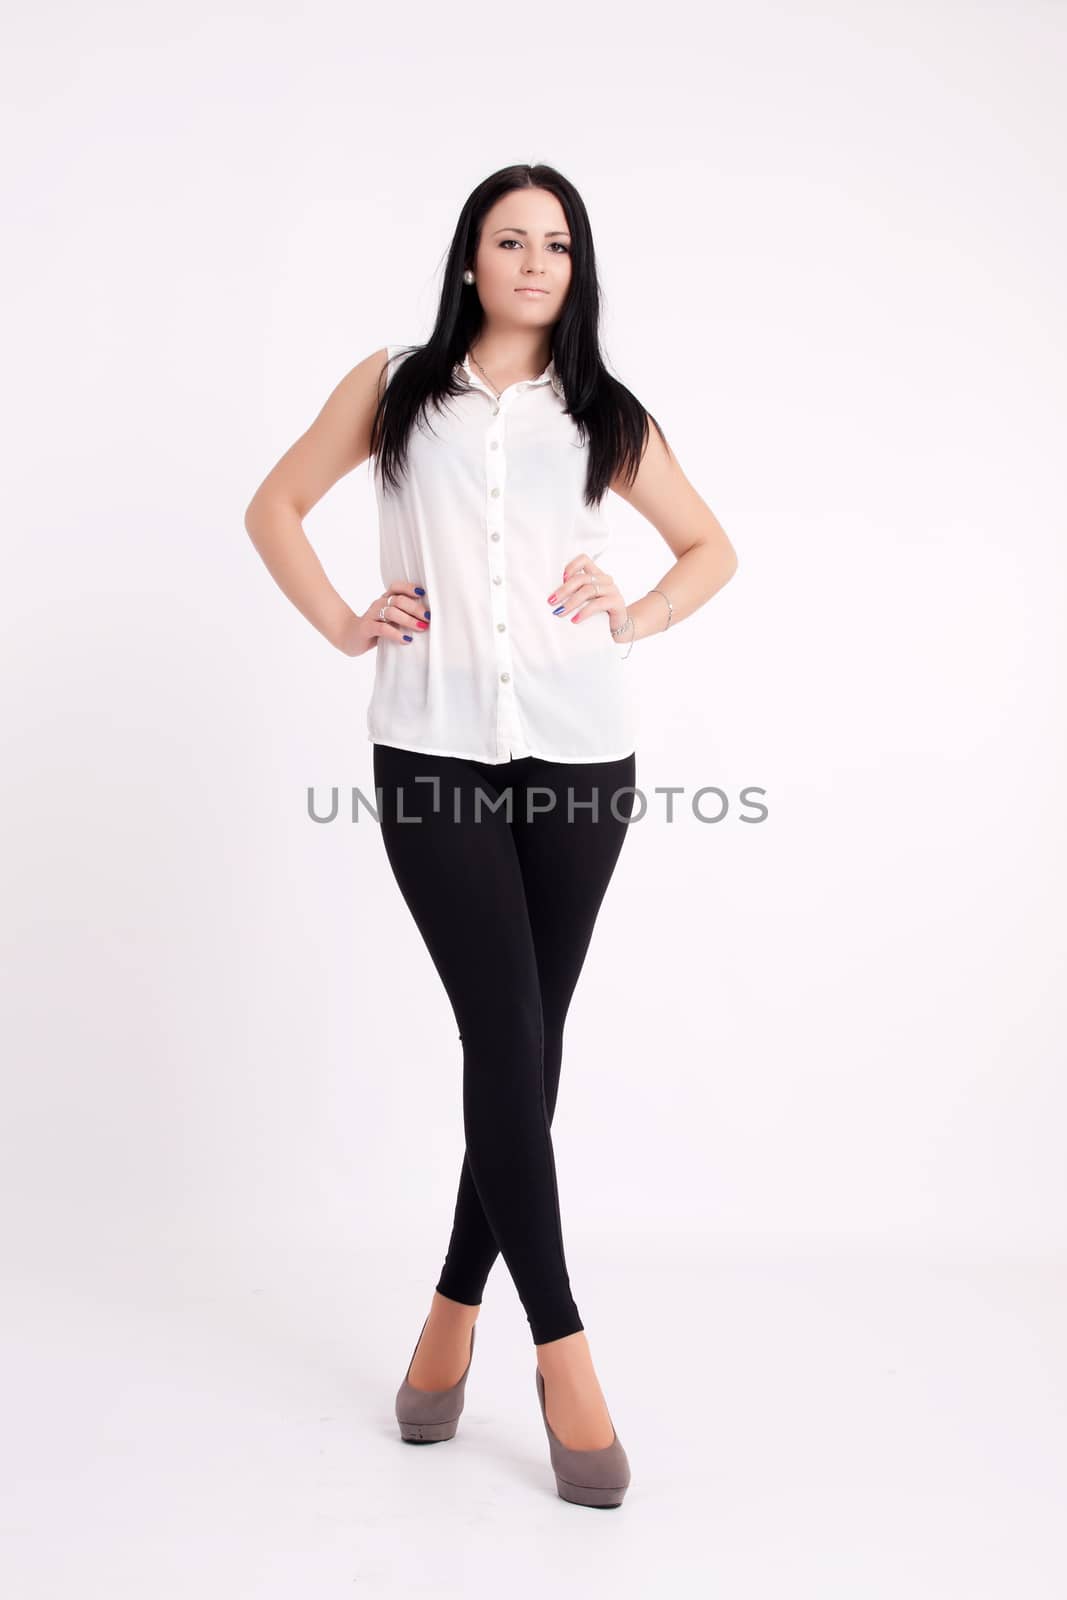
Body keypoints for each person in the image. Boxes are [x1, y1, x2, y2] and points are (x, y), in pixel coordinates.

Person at [245, 162, 738, 1507]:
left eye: (557, 245)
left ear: (577, 271)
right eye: (508, 239)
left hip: (584, 754)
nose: (533, 261)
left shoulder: (604, 412)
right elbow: (273, 508)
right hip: (430, 751)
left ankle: (453, 1315)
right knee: (503, 1034)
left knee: (529, 1042)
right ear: (469, 257)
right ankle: (564, 1354)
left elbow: (709, 548)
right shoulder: (396, 384)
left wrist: (628, 612)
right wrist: (348, 621)